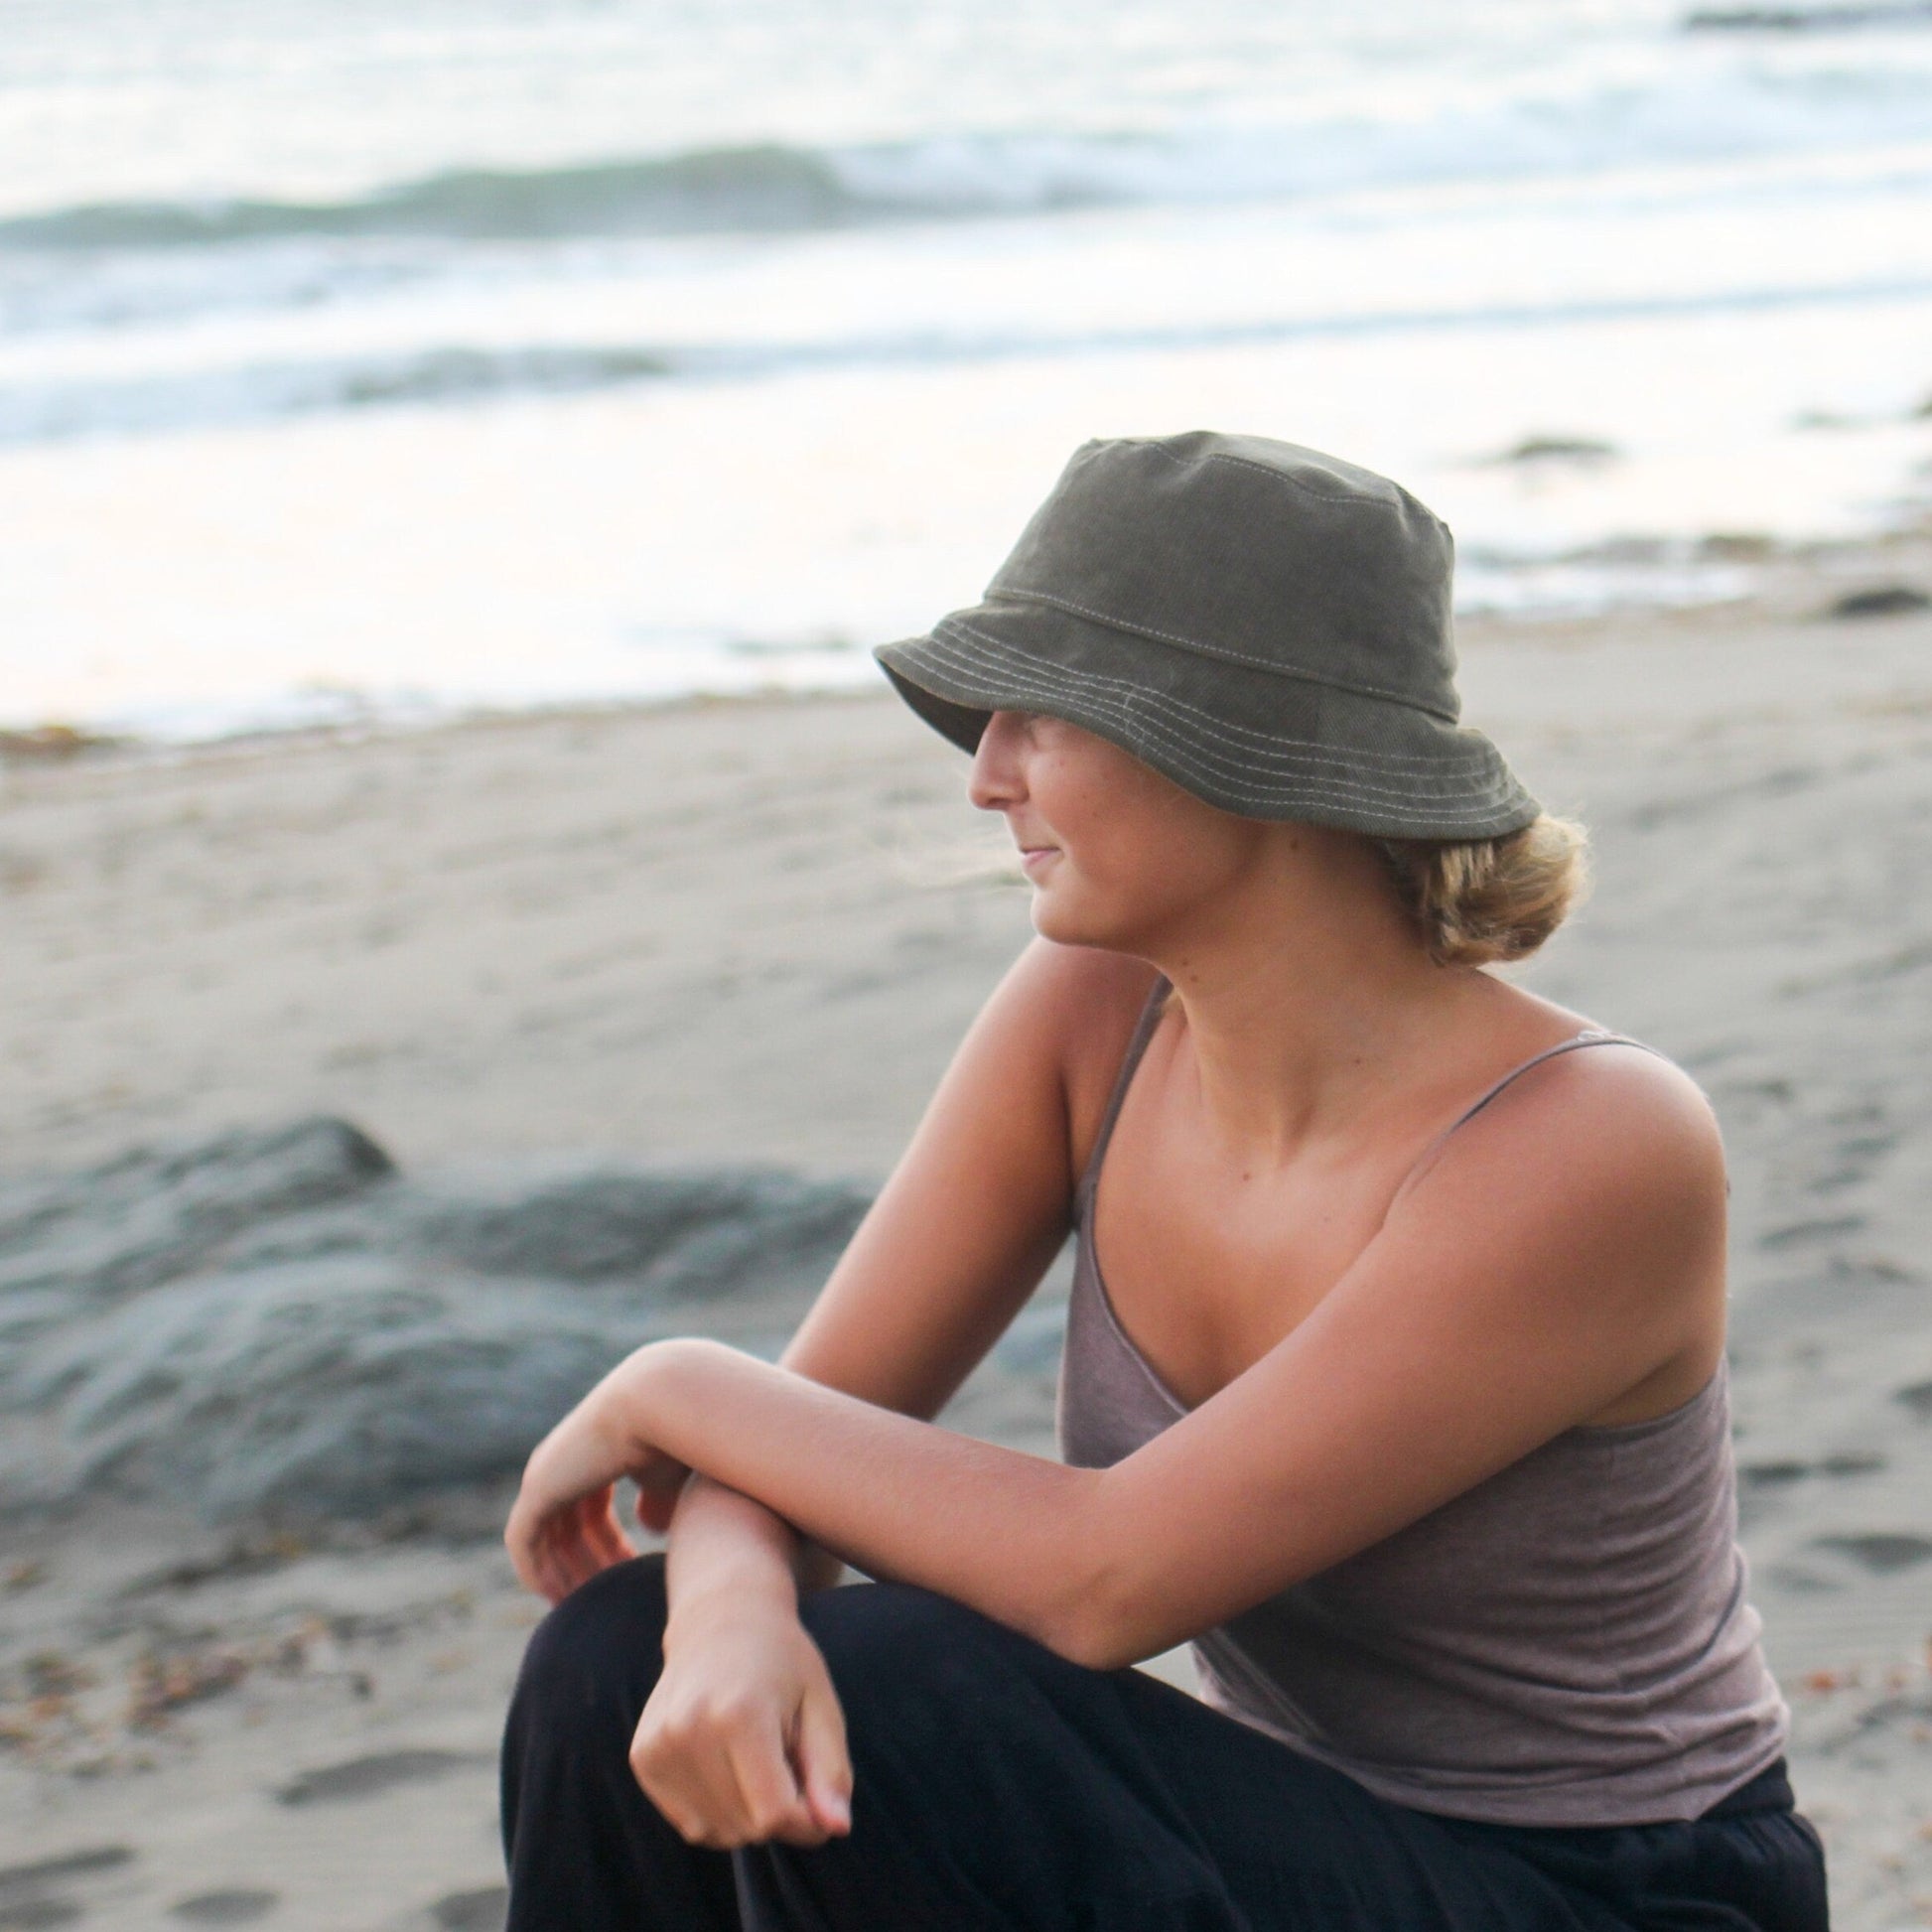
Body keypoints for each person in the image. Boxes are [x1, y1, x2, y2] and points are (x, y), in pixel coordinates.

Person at [498, 432, 1828, 1931]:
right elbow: (802, 1443)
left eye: (1041, 716)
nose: (985, 776)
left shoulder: (1589, 1144)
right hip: (1284, 1842)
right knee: (614, 1654)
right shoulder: (1092, 1013)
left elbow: (1104, 1580)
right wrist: (732, 1599)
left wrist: (671, 1379)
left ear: (1244, 751)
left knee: (905, 1696)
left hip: (1607, 1890)